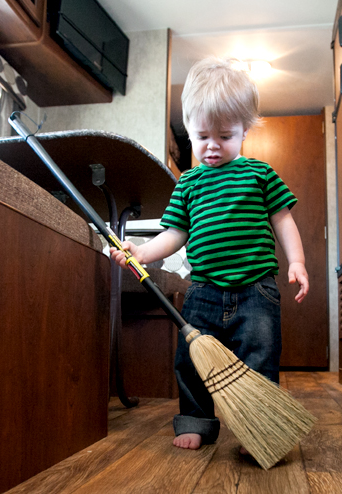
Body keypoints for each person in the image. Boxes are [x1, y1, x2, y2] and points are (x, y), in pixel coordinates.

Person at [110, 57, 309, 452]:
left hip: (257, 291)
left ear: (244, 132)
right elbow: (175, 233)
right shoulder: (188, 183)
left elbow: (283, 221)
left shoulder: (259, 174)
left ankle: (262, 428)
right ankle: (196, 421)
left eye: (225, 135)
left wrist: (297, 262)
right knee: (191, 361)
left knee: (259, 361)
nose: (212, 146)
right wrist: (143, 252)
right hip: (202, 292)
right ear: (189, 132)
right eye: (202, 136)